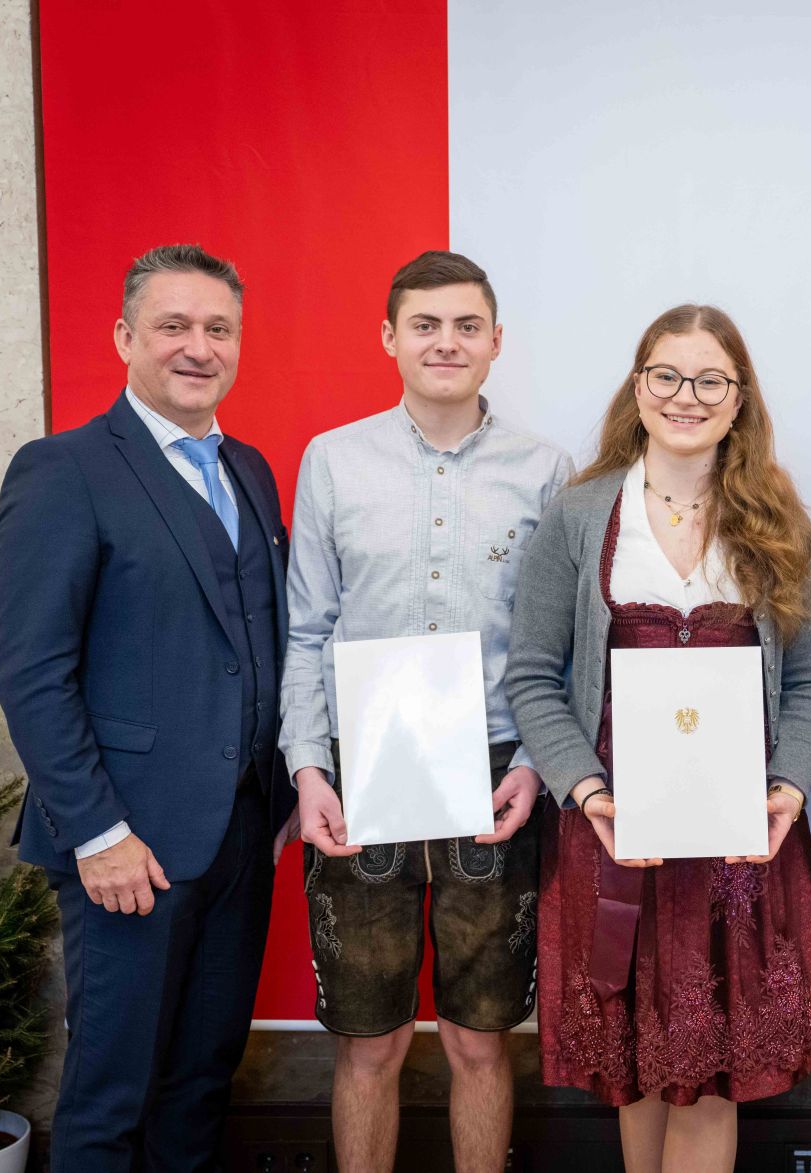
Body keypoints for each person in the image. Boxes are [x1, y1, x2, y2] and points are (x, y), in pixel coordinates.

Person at [505, 304, 811, 1172]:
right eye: (666, 375)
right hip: (614, 832)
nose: (686, 396)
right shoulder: (580, 517)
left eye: (710, 380)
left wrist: (789, 788)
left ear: (740, 400)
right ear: (638, 385)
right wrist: (589, 795)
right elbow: (533, 676)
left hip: (740, 845)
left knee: (709, 1075)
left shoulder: (780, 525)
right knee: (636, 1068)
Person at [0, 244, 296, 1171]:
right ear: (126, 337)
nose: (197, 347)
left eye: (217, 328)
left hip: (243, 837)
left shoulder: (249, 468)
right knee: (109, 1094)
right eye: (173, 326)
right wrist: (95, 833)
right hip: (126, 850)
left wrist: (283, 796)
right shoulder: (63, 469)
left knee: (202, 1082)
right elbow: (33, 673)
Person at [278, 250, 571, 1172]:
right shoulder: (333, 459)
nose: (446, 342)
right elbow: (307, 629)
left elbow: (554, 644)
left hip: (494, 772)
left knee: (480, 1038)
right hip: (364, 769)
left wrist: (533, 762)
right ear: (389, 337)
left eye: (466, 325)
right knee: (370, 1042)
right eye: (425, 324)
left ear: (495, 343)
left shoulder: (546, 468)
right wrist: (308, 766)